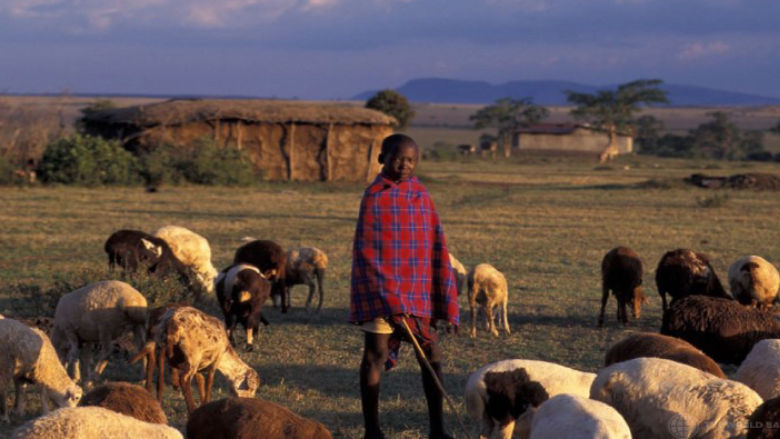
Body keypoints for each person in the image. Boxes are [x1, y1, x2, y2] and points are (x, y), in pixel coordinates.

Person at [350, 133, 459, 439]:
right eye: (398, 158)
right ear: (382, 158)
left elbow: (432, 246)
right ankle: (372, 431)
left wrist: (432, 291)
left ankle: (437, 429)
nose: (404, 165)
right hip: (381, 295)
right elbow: (367, 252)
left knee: (432, 355)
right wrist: (389, 296)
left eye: (411, 160)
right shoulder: (374, 197)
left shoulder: (421, 196)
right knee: (374, 355)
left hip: (418, 293)